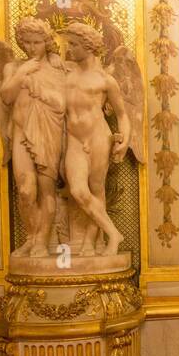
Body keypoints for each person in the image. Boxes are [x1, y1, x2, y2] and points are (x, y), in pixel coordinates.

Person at [0, 18, 66, 258]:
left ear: (46, 42)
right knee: (26, 190)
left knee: (47, 190)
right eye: (26, 42)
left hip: (48, 130)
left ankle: (42, 241)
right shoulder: (13, 67)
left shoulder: (58, 68)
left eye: (37, 42)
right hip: (20, 132)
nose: (31, 47)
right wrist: (23, 73)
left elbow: (64, 104)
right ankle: (31, 236)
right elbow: (6, 97)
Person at [62, 23, 130, 258]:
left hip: (99, 137)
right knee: (79, 190)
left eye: (74, 44)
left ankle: (90, 243)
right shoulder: (66, 73)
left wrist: (125, 140)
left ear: (88, 47)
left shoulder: (105, 80)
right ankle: (113, 232)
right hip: (74, 140)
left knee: (96, 188)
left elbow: (122, 115)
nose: (69, 49)